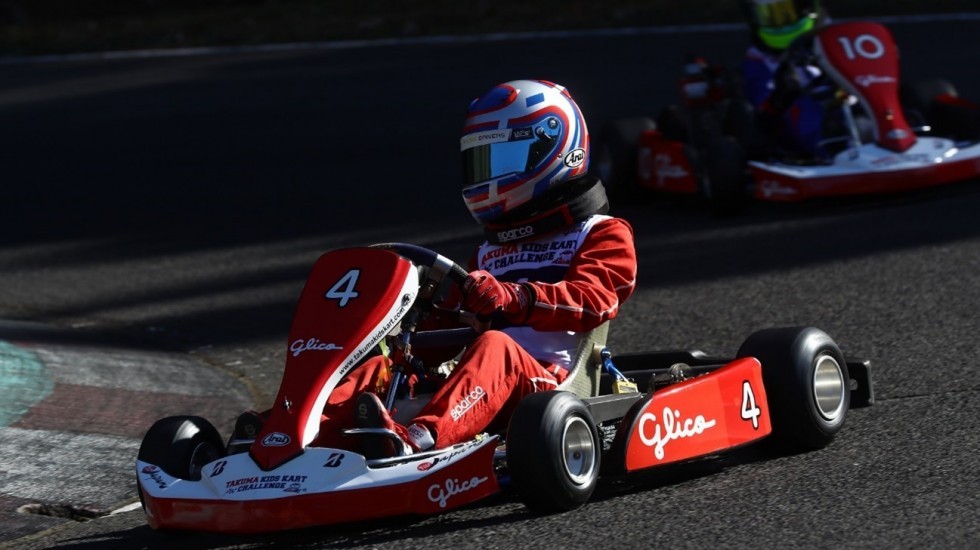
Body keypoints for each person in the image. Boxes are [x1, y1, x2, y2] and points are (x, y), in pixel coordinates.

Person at [301, 79, 637, 458]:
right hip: (483, 381)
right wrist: (415, 330)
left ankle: (419, 441)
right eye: (482, 162)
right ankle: (301, 435)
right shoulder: (491, 250)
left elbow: (593, 301)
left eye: (503, 160)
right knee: (382, 365)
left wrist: (516, 297)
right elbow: (463, 329)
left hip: (551, 385)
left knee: (497, 345)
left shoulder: (602, 232)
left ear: (552, 147)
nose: (489, 176)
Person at [740, 0, 830, 158]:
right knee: (808, 108)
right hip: (798, 112)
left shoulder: (834, 40)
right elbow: (762, 106)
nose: (781, 23)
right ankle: (830, 150)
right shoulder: (758, 60)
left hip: (844, 95)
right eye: (770, 16)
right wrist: (784, 90)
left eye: (788, 12)